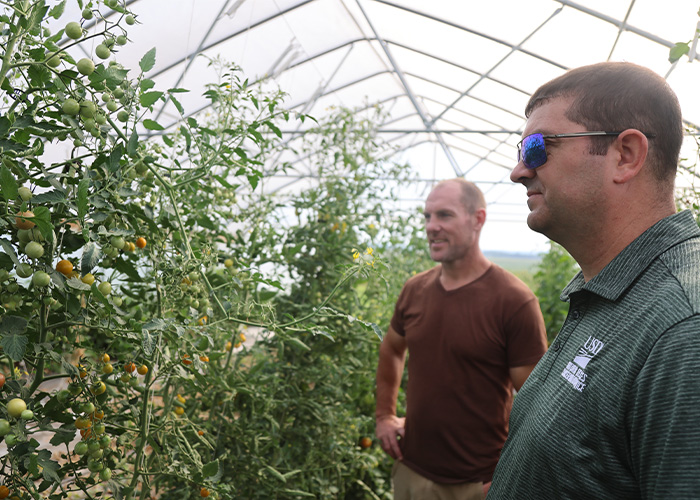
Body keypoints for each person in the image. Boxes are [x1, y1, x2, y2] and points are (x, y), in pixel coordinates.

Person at [487, 61, 700, 499]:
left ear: (626, 155)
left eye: (537, 148)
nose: (519, 171)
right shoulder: (612, 292)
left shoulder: (683, 331)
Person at [375, 178, 548, 500]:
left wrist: (510, 472)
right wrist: (385, 415)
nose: (432, 227)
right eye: (427, 217)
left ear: (477, 219)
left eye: (444, 215)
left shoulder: (514, 301)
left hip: (477, 483)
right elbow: (392, 349)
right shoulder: (415, 290)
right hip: (412, 471)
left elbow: (538, 402)